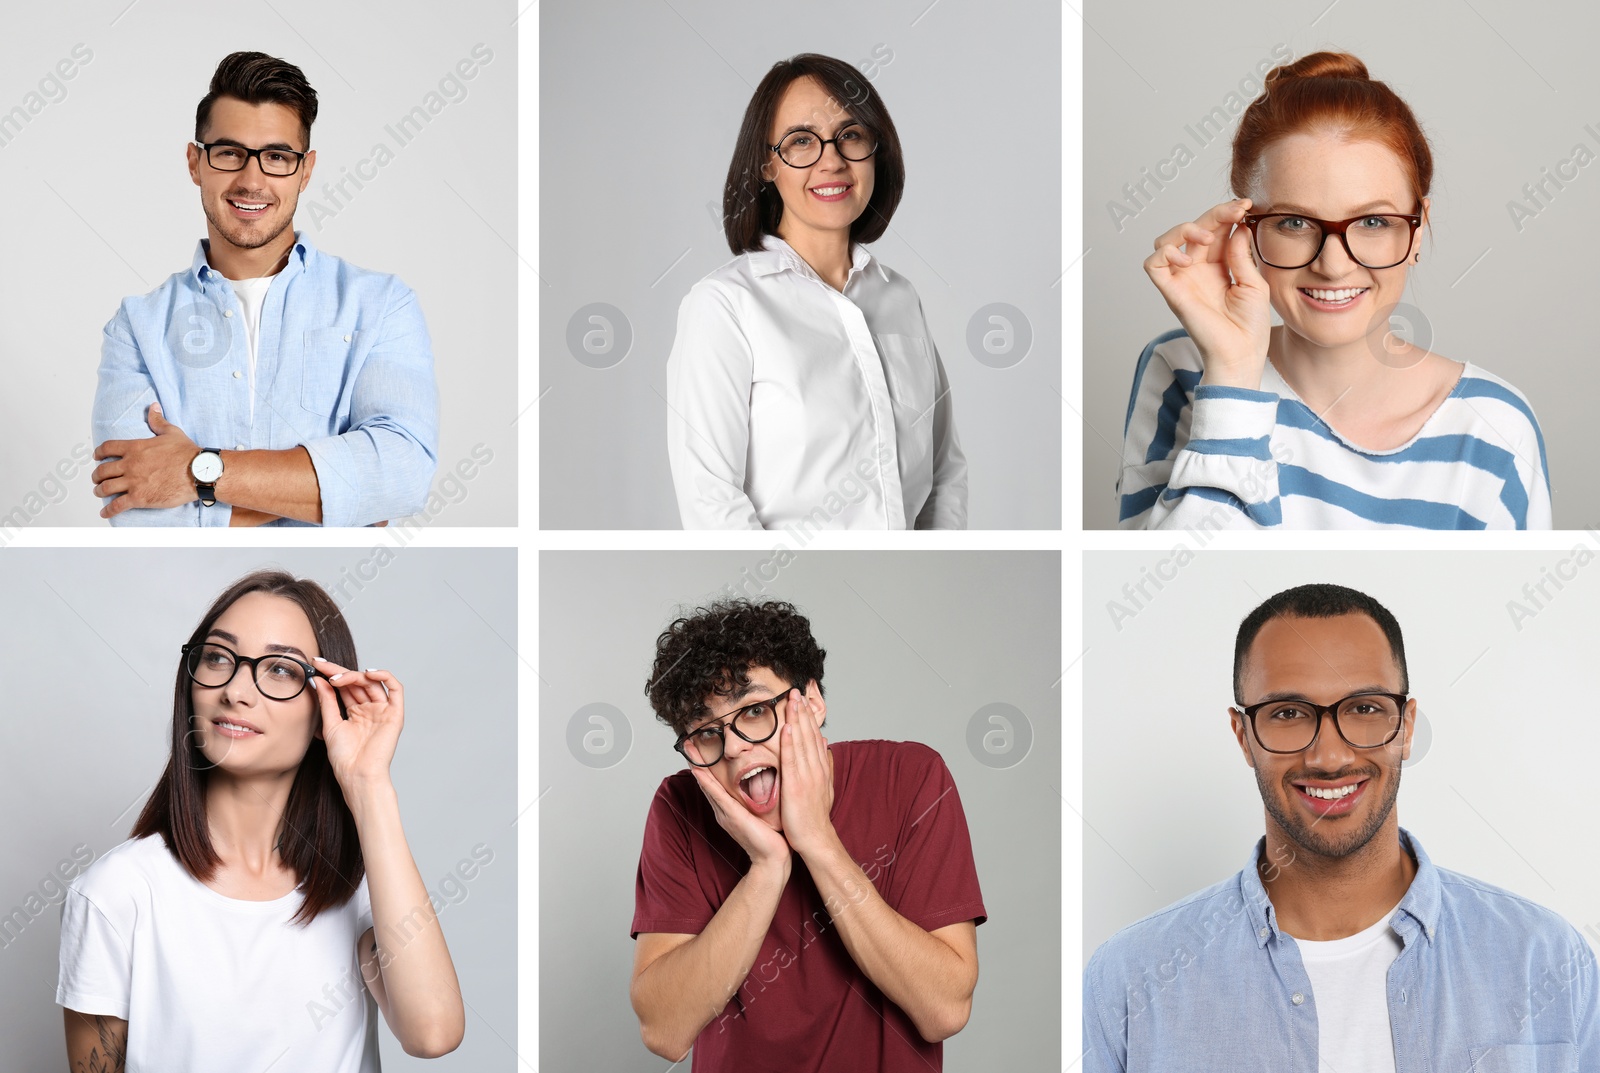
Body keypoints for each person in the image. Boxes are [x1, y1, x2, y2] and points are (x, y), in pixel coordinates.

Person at [1083, 583, 1599, 1070]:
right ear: (1243, 735)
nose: (1329, 756)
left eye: (1365, 708)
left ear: (1407, 726)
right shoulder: (1129, 979)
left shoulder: (1546, 958)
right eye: (1288, 713)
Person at [1119, 52, 1550, 529]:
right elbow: (1175, 590)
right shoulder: (1186, 372)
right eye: (1294, 222)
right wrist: (1233, 372)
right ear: (1244, 233)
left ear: (1418, 231)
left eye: (1372, 221)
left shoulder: (1494, 426)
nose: (1333, 264)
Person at [57, 571, 464, 1070]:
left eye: (279, 670)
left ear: (325, 711)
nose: (236, 690)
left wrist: (368, 785)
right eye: (217, 658)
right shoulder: (116, 893)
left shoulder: (359, 888)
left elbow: (434, 1032)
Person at [629, 599, 985, 1070]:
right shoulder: (680, 807)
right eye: (706, 733)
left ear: (812, 701)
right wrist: (767, 867)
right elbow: (665, 1031)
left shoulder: (912, 777)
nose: (734, 747)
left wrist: (817, 840)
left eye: (754, 710)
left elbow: (944, 1009)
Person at [89, 52, 439, 527]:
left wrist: (196, 472)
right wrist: (339, 500)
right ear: (195, 163)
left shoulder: (380, 306)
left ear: (306, 170)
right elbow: (140, 519)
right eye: (230, 153)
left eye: (277, 157)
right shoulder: (137, 327)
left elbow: (402, 474)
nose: (252, 181)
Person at [666, 53, 967, 531]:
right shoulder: (724, 306)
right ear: (766, 164)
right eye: (801, 141)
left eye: (850, 135)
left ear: (875, 149)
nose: (832, 161)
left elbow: (944, 472)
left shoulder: (901, 299)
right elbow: (711, 502)